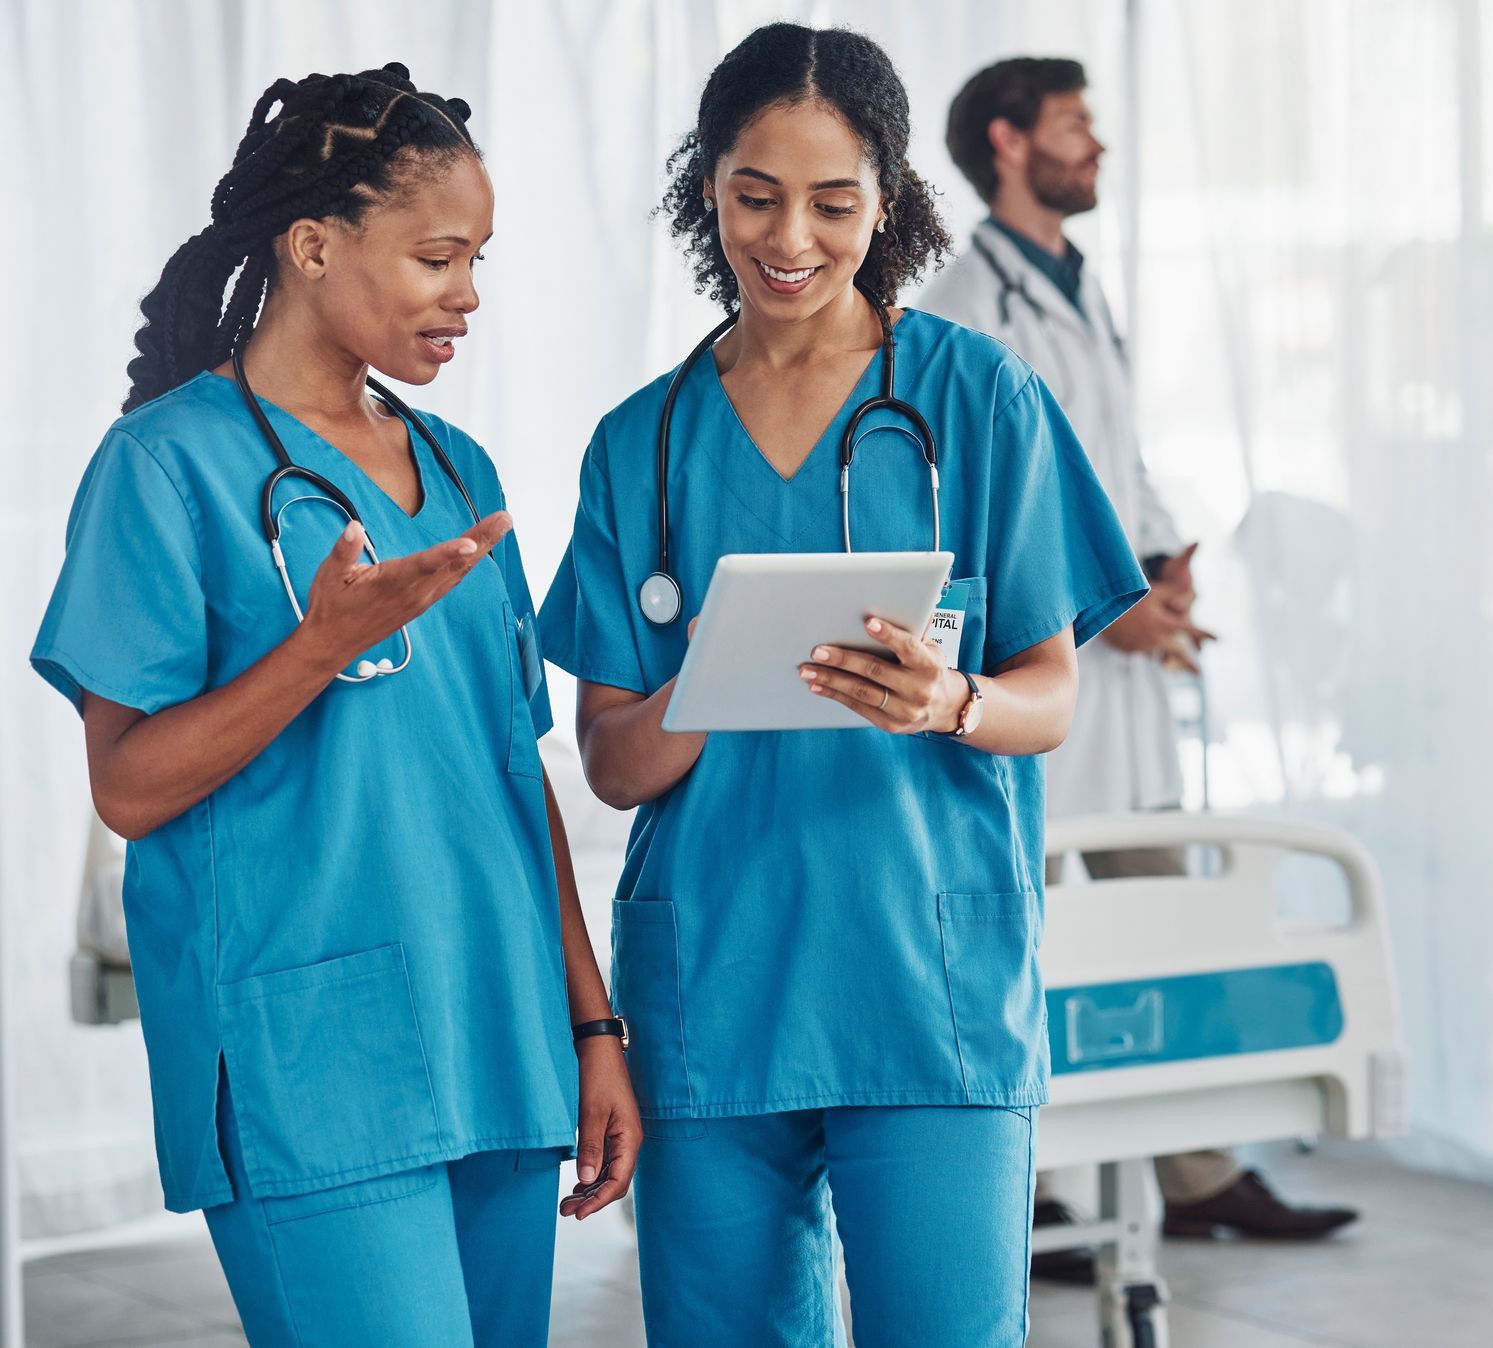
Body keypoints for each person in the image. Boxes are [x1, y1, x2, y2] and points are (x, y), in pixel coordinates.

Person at [535, 24, 1145, 1348]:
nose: (790, 237)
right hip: (717, 998)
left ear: (889, 198)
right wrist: (709, 681)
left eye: (833, 200)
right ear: (708, 185)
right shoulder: (641, 444)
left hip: (929, 987)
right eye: (755, 194)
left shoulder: (977, 398)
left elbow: (1050, 693)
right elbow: (612, 763)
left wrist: (953, 704)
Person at [28, 65, 640, 1346]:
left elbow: (513, 769)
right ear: (313, 245)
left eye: (478, 258)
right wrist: (315, 648)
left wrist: (590, 1023)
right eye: (437, 257)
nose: (468, 293)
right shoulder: (163, 468)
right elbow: (128, 786)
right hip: (308, 1058)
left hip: (498, 1029)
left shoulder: (457, 469)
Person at [919, 56, 1358, 1281]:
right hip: (1049, 660)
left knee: (1164, 917)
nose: (1095, 149)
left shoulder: (1074, 284)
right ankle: (1055, 1194)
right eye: (1074, 128)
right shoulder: (965, 301)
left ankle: (1203, 1165)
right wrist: (1108, 603)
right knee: (1059, 934)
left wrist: (1161, 556)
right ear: (1008, 141)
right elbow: (986, 496)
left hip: (1117, 659)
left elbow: (1115, 455)